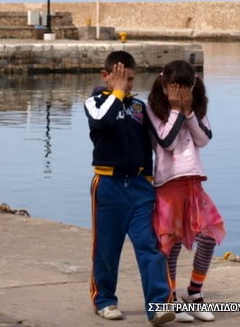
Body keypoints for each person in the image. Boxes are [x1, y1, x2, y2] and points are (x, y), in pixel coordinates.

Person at [85, 51, 174, 325]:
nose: (128, 84)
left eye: (132, 79)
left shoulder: (138, 107)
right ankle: (105, 300)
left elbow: (153, 144)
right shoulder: (95, 103)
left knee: (150, 245)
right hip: (109, 185)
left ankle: (158, 304)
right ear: (106, 75)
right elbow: (104, 122)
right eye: (123, 78)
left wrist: (151, 180)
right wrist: (118, 93)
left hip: (139, 186)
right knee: (107, 247)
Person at [146, 60, 226, 322]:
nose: (179, 93)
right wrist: (176, 110)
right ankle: (170, 296)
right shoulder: (154, 108)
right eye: (174, 88)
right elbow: (166, 142)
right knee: (172, 243)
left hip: (193, 182)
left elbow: (203, 139)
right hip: (168, 184)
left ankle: (194, 292)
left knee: (209, 235)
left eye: (185, 88)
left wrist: (189, 111)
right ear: (164, 84)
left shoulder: (196, 106)